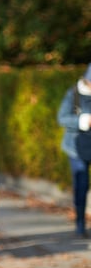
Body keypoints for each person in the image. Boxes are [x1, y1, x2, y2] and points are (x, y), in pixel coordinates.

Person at [56, 63, 91, 238]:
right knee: (81, 184)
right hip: (76, 147)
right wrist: (83, 121)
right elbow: (62, 118)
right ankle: (80, 223)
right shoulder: (74, 94)